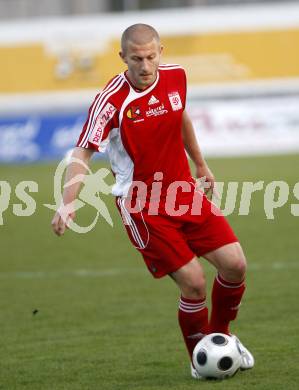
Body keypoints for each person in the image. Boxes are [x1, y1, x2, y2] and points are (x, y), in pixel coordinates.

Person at [51, 23, 254, 378]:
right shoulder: (110, 100)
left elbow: (181, 117)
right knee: (193, 282)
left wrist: (201, 163)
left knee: (235, 264)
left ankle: (221, 339)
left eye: (150, 57)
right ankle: (200, 361)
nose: (145, 66)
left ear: (161, 52)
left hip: (184, 192)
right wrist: (68, 202)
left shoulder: (175, 77)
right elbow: (83, 153)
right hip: (142, 205)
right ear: (122, 58)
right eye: (136, 59)